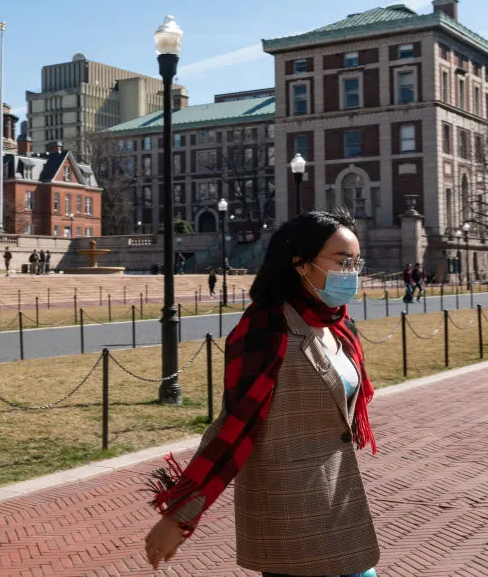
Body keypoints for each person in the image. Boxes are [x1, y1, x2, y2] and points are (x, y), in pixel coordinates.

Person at [144, 209, 378, 577]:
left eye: (357, 262)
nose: (352, 272)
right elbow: (235, 426)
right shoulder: (266, 329)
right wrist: (180, 514)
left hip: (340, 501)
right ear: (301, 263)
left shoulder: (339, 322)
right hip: (291, 513)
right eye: (342, 261)